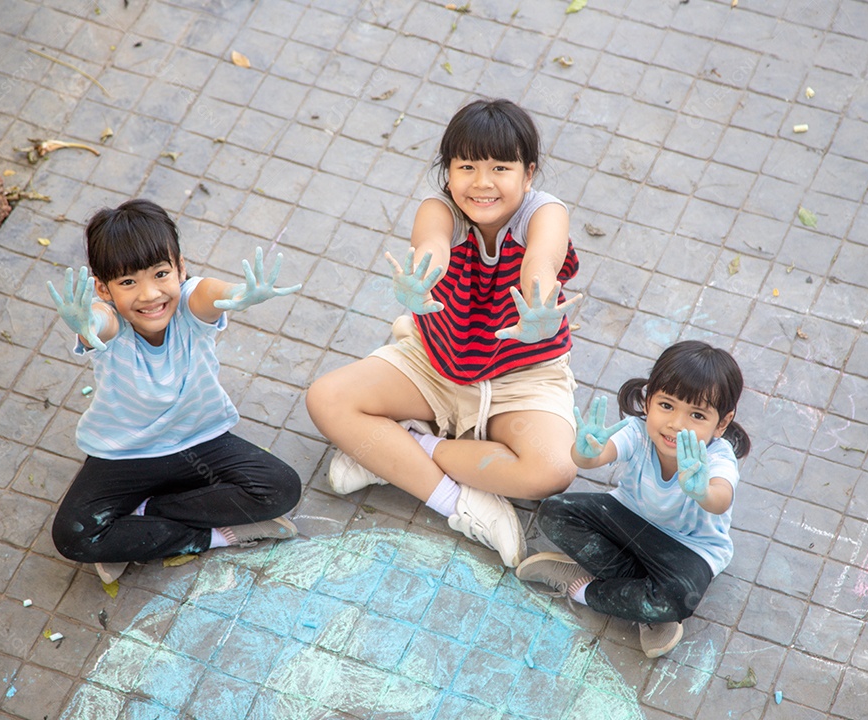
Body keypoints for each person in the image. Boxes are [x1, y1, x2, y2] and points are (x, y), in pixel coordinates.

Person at [306, 99, 582, 567]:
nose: (482, 182)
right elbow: (432, 245)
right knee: (325, 398)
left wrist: (538, 298)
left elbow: (543, 259)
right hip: (435, 362)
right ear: (448, 171)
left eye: (500, 167)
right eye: (466, 166)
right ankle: (461, 504)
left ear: (528, 173)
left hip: (520, 376)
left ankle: (406, 450)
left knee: (552, 470)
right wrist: (424, 275)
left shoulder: (545, 212)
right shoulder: (439, 208)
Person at [48, 199, 302, 584]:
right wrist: (84, 323)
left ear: (181, 268)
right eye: (128, 282)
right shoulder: (109, 320)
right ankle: (213, 536)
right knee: (74, 536)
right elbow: (98, 325)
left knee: (281, 489)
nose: (150, 295)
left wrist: (240, 293)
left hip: (200, 441)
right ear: (103, 288)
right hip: (127, 453)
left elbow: (211, 294)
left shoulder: (191, 302)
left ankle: (144, 514)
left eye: (161, 273)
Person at [516, 341, 750, 658]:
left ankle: (589, 590)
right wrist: (584, 452)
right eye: (666, 405)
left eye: (696, 415)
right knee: (555, 511)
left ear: (722, 422)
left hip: (687, 548)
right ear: (649, 399)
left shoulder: (718, 456)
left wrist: (702, 491)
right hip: (627, 519)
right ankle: (639, 600)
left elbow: (720, 499)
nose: (676, 424)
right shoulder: (638, 432)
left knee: (680, 597)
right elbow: (597, 457)